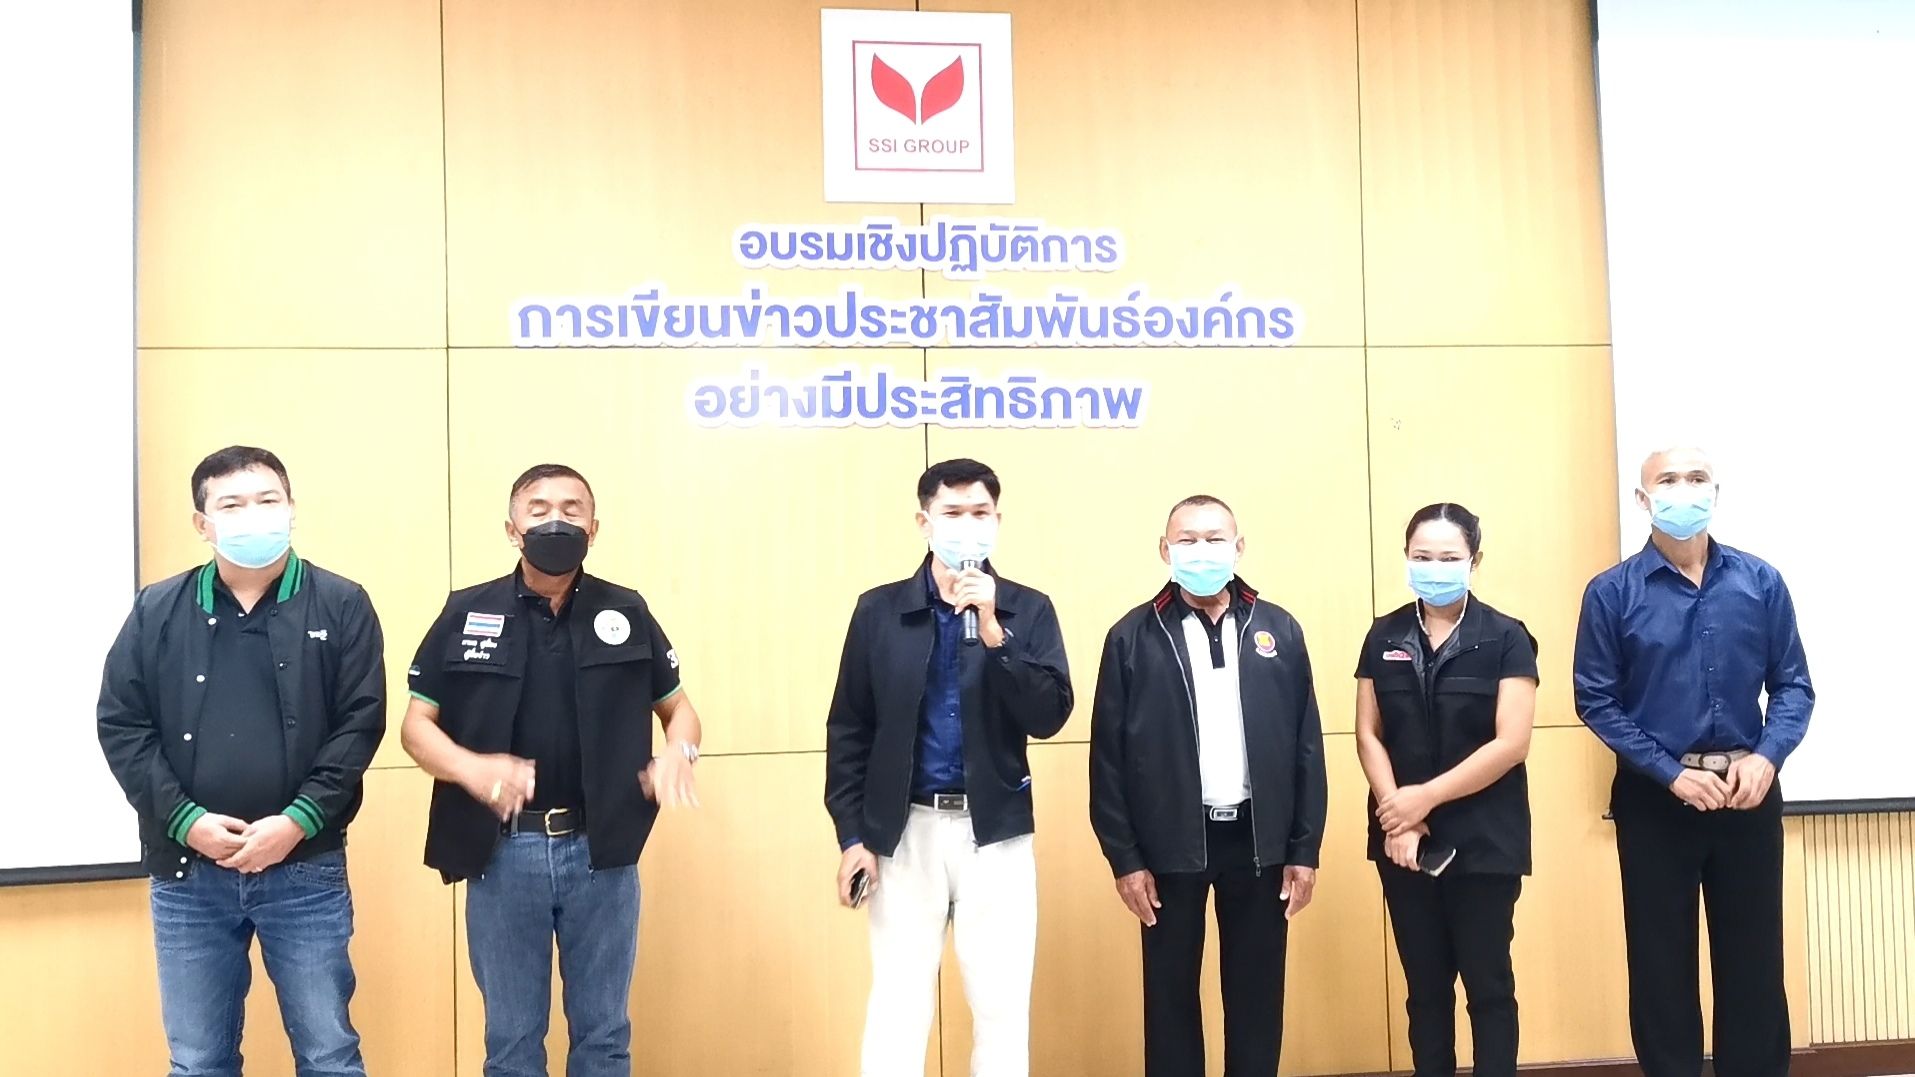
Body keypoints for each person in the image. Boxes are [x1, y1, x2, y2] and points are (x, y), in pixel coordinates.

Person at [399, 463, 703, 1077]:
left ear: (594, 527)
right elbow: (415, 727)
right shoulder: (467, 611)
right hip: (504, 855)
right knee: (512, 1042)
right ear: (512, 529)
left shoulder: (626, 609)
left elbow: (681, 712)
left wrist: (680, 753)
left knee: (604, 1037)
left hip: (601, 853)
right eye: (538, 510)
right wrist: (471, 768)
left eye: (572, 509)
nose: (556, 520)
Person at [97, 445, 387, 1077]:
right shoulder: (156, 610)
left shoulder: (341, 603)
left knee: (330, 1054)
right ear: (202, 524)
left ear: (291, 508)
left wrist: (297, 821)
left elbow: (360, 724)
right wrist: (187, 821)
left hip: (304, 867)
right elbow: (122, 724)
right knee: (199, 1059)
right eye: (231, 505)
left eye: (267, 500)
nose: (253, 515)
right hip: (189, 874)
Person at [824, 458, 1074, 1077]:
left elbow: (1049, 715)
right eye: (952, 512)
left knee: (1001, 1007)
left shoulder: (1027, 610)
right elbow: (849, 729)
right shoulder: (879, 611)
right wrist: (853, 837)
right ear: (924, 521)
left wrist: (994, 633)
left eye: (980, 513)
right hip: (903, 831)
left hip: (997, 833)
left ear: (998, 520)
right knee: (898, 1003)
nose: (967, 525)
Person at [1574, 447, 1813, 1077]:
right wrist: (1671, 773)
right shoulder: (1611, 593)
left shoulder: (1761, 582)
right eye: (1668, 480)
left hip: (1747, 796)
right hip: (1656, 801)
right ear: (1643, 498)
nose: (1684, 489)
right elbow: (1596, 700)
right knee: (1661, 966)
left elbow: (1793, 686)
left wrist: (1767, 757)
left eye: (1697, 478)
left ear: (1715, 492)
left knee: (1754, 962)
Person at [1088, 494, 1326, 1077]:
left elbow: (1306, 746)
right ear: (1164, 549)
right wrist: (1125, 859)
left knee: (1257, 997)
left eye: (1215, 539)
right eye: (1187, 540)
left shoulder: (1277, 628)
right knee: (1169, 999)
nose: (1202, 551)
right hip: (1168, 846)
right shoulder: (1131, 637)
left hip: (1259, 842)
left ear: (1238, 547)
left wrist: (1303, 849)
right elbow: (1108, 761)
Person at [1353, 503, 1538, 1077]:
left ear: (1474, 560)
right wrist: (1398, 815)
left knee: (1489, 987)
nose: (1434, 567)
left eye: (1449, 557)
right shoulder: (1383, 635)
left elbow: (1511, 743)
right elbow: (1368, 733)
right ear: (1406, 558)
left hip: (1485, 841)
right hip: (1404, 842)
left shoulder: (1506, 637)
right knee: (1425, 991)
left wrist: (1423, 799)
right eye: (1422, 557)